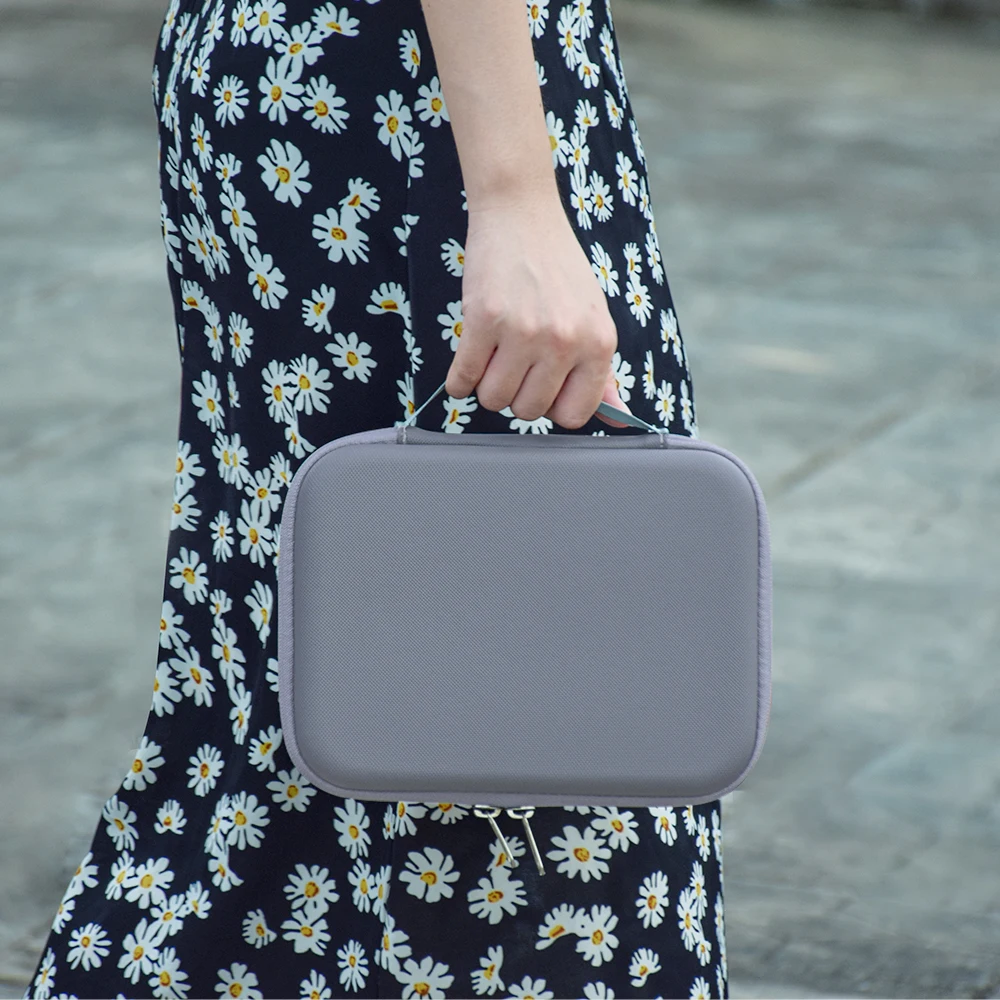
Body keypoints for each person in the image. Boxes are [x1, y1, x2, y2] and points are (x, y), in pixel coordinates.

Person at [26, 1, 725, 997]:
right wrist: (514, 191)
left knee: (309, 714)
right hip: (426, 104)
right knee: (537, 734)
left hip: (322, 78)